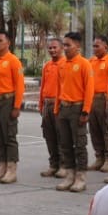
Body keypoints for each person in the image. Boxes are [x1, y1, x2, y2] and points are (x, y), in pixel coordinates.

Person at [53, 32, 95, 193]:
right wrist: (57, 108)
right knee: (65, 144)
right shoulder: (62, 64)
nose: (65, 48)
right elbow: (59, 88)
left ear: (77, 46)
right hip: (64, 108)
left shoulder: (84, 64)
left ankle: (80, 177)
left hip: (77, 109)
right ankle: (69, 175)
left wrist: (85, 111)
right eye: (64, 45)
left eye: (68, 45)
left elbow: (89, 89)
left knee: (80, 144)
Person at [0, 30, 26, 184]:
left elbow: (20, 85)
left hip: (8, 101)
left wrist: (16, 106)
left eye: (0, 40)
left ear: (8, 43)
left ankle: (11, 169)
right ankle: (1, 166)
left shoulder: (13, 61)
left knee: (9, 136)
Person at [88, 34, 108, 172]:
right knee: (94, 129)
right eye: (93, 46)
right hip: (92, 99)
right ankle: (99, 157)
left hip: (104, 98)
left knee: (106, 130)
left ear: (106, 46)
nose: (94, 48)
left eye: (97, 46)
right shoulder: (91, 61)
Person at [38, 36, 64, 178]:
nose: (52, 50)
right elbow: (43, 86)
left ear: (61, 48)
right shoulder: (47, 66)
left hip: (59, 104)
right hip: (47, 104)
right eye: (50, 48)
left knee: (61, 136)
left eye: (55, 47)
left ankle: (64, 165)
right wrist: (41, 104)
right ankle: (53, 165)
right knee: (49, 136)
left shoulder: (65, 64)